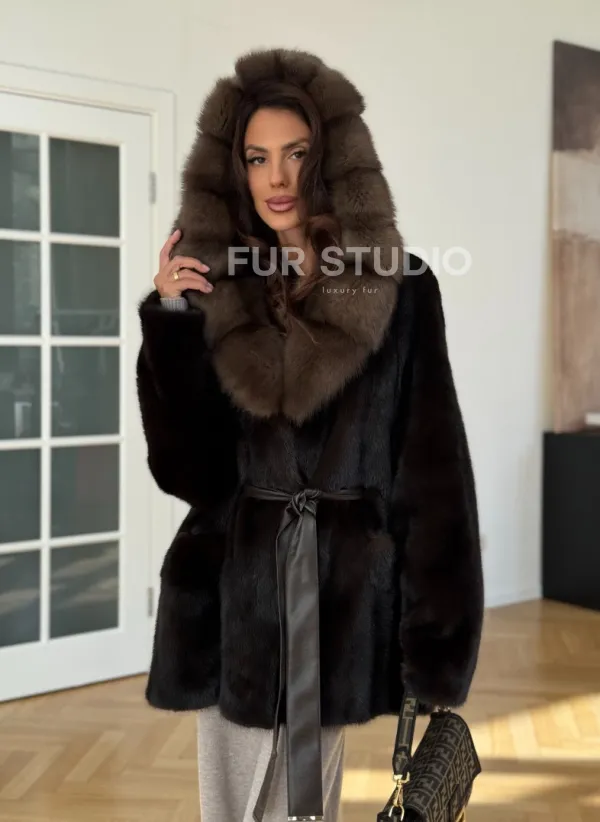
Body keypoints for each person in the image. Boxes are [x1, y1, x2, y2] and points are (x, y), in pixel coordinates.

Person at [136, 47, 484, 822]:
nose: (277, 177)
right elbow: (188, 471)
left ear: (330, 157)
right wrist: (173, 321)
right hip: (232, 588)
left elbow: (433, 468)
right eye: (256, 157)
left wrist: (437, 642)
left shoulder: (401, 287)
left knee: (308, 804)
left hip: (340, 593)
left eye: (295, 153)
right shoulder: (218, 288)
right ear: (235, 169)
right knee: (228, 808)